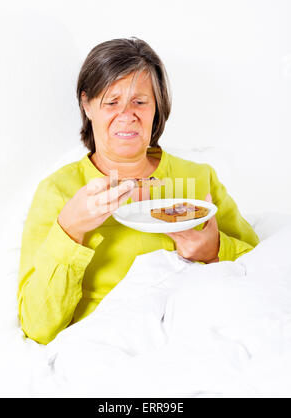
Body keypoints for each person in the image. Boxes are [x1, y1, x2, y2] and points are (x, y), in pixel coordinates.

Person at [17, 37, 260, 345]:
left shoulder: (199, 179)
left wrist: (215, 251)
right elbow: (38, 327)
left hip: (196, 341)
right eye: (111, 101)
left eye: (140, 102)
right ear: (86, 104)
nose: (127, 115)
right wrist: (70, 229)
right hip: (105, 350)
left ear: (157, 108)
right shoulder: (58, 192)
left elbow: (265, 270)